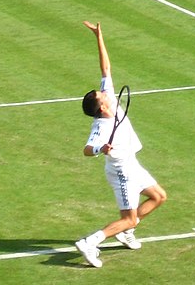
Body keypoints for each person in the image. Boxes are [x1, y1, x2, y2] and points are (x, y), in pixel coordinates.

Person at [75, 21, 167, 269]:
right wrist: (99, 149)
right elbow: (86, 150)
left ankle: (125, 232)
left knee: (159, 196)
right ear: (102, 106)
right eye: (101, 94)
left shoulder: (109, 102)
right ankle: (90, 242)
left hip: (131, 164)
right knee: (128, 217)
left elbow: (105, 69)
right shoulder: (101, 128)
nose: (105, 91)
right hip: (121, 173)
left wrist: (99, 36)